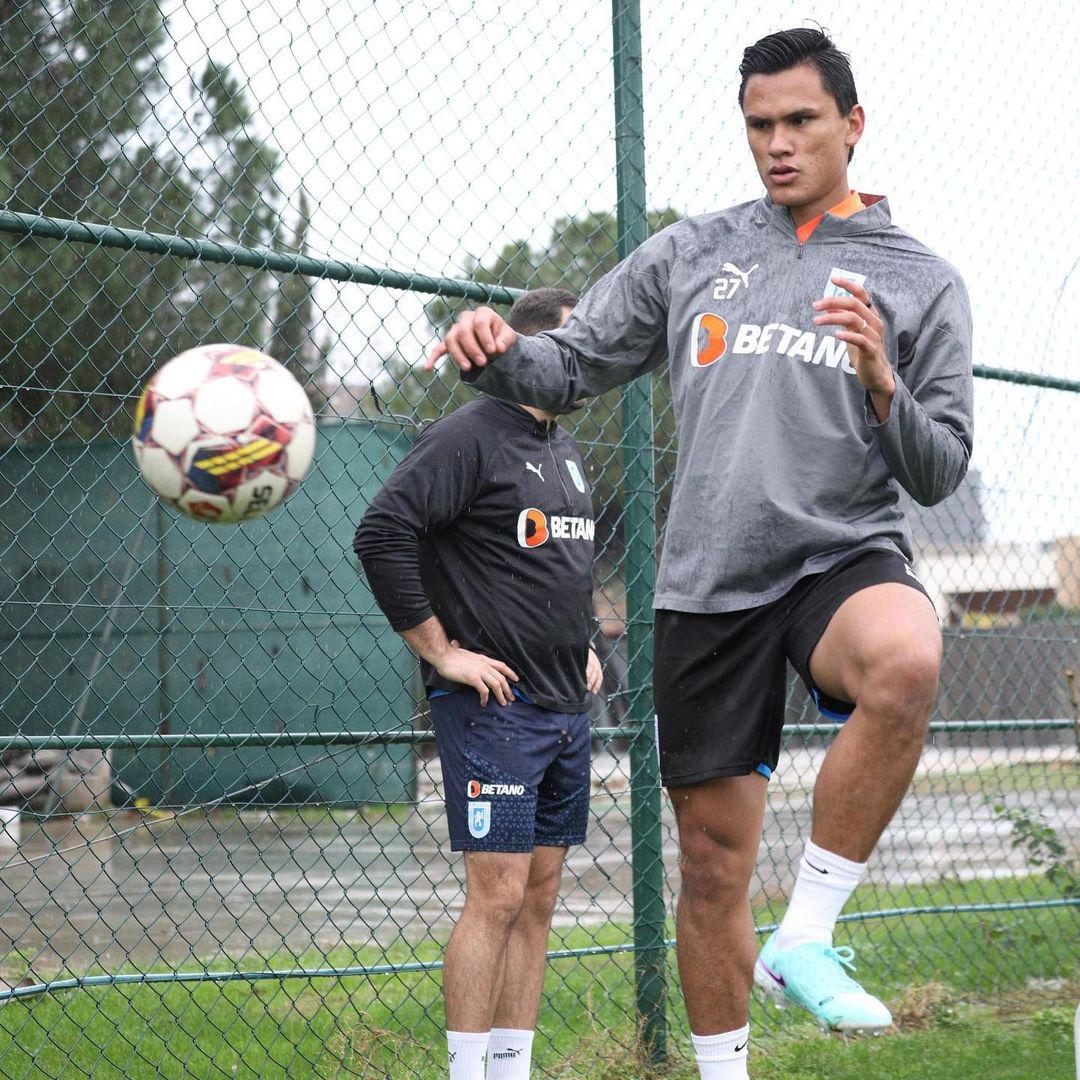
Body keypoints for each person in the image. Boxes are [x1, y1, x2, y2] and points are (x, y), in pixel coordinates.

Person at [425, 28, 974, 1079]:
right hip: (710, 585)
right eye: (759, 124)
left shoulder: (922, 284)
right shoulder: (694, 251)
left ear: (852, 125)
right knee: (714, 868)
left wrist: (881, 383)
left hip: (840, 555)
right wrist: (494, 352)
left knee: (906, 659)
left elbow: (941, 466)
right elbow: (570, 363)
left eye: (801, 121)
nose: (778, 143)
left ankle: (807, 930)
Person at [355, 287, 603, 1080]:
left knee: (538, 899)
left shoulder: (564, 447)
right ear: (524, 350)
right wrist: (441, 652)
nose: (584, 366)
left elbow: (559, 564)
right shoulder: (467, 437)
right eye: (571, 349)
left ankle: (511, 1071)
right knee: (495, 897)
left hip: (567, 708)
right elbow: (382, 532)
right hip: (497, 708)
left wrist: (589, 641)